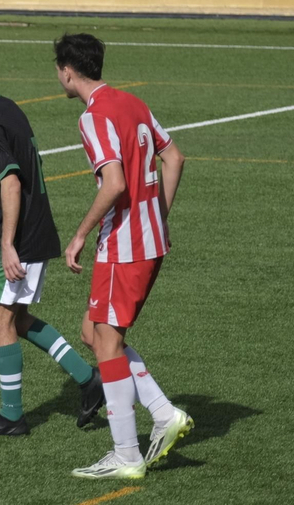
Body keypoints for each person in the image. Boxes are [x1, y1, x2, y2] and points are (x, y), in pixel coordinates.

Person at [0, 42, 104, 438]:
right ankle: (88, 379)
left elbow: (12, 182)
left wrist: (7, 244)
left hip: (22, 234)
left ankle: (12, 417)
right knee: (16, 318)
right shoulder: (8, 107)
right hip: (37, 227)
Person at [54, 33, 192, 479]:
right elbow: (175, 157)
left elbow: (114, 183)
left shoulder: (93, 117)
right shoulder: (133, 102)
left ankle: (127, 454)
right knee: (93, 333)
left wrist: (78, 236)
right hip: (148, 241)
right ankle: (164, 413)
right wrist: (157, 215)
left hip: (124, 246)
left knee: (107, 343)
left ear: (67, 72)